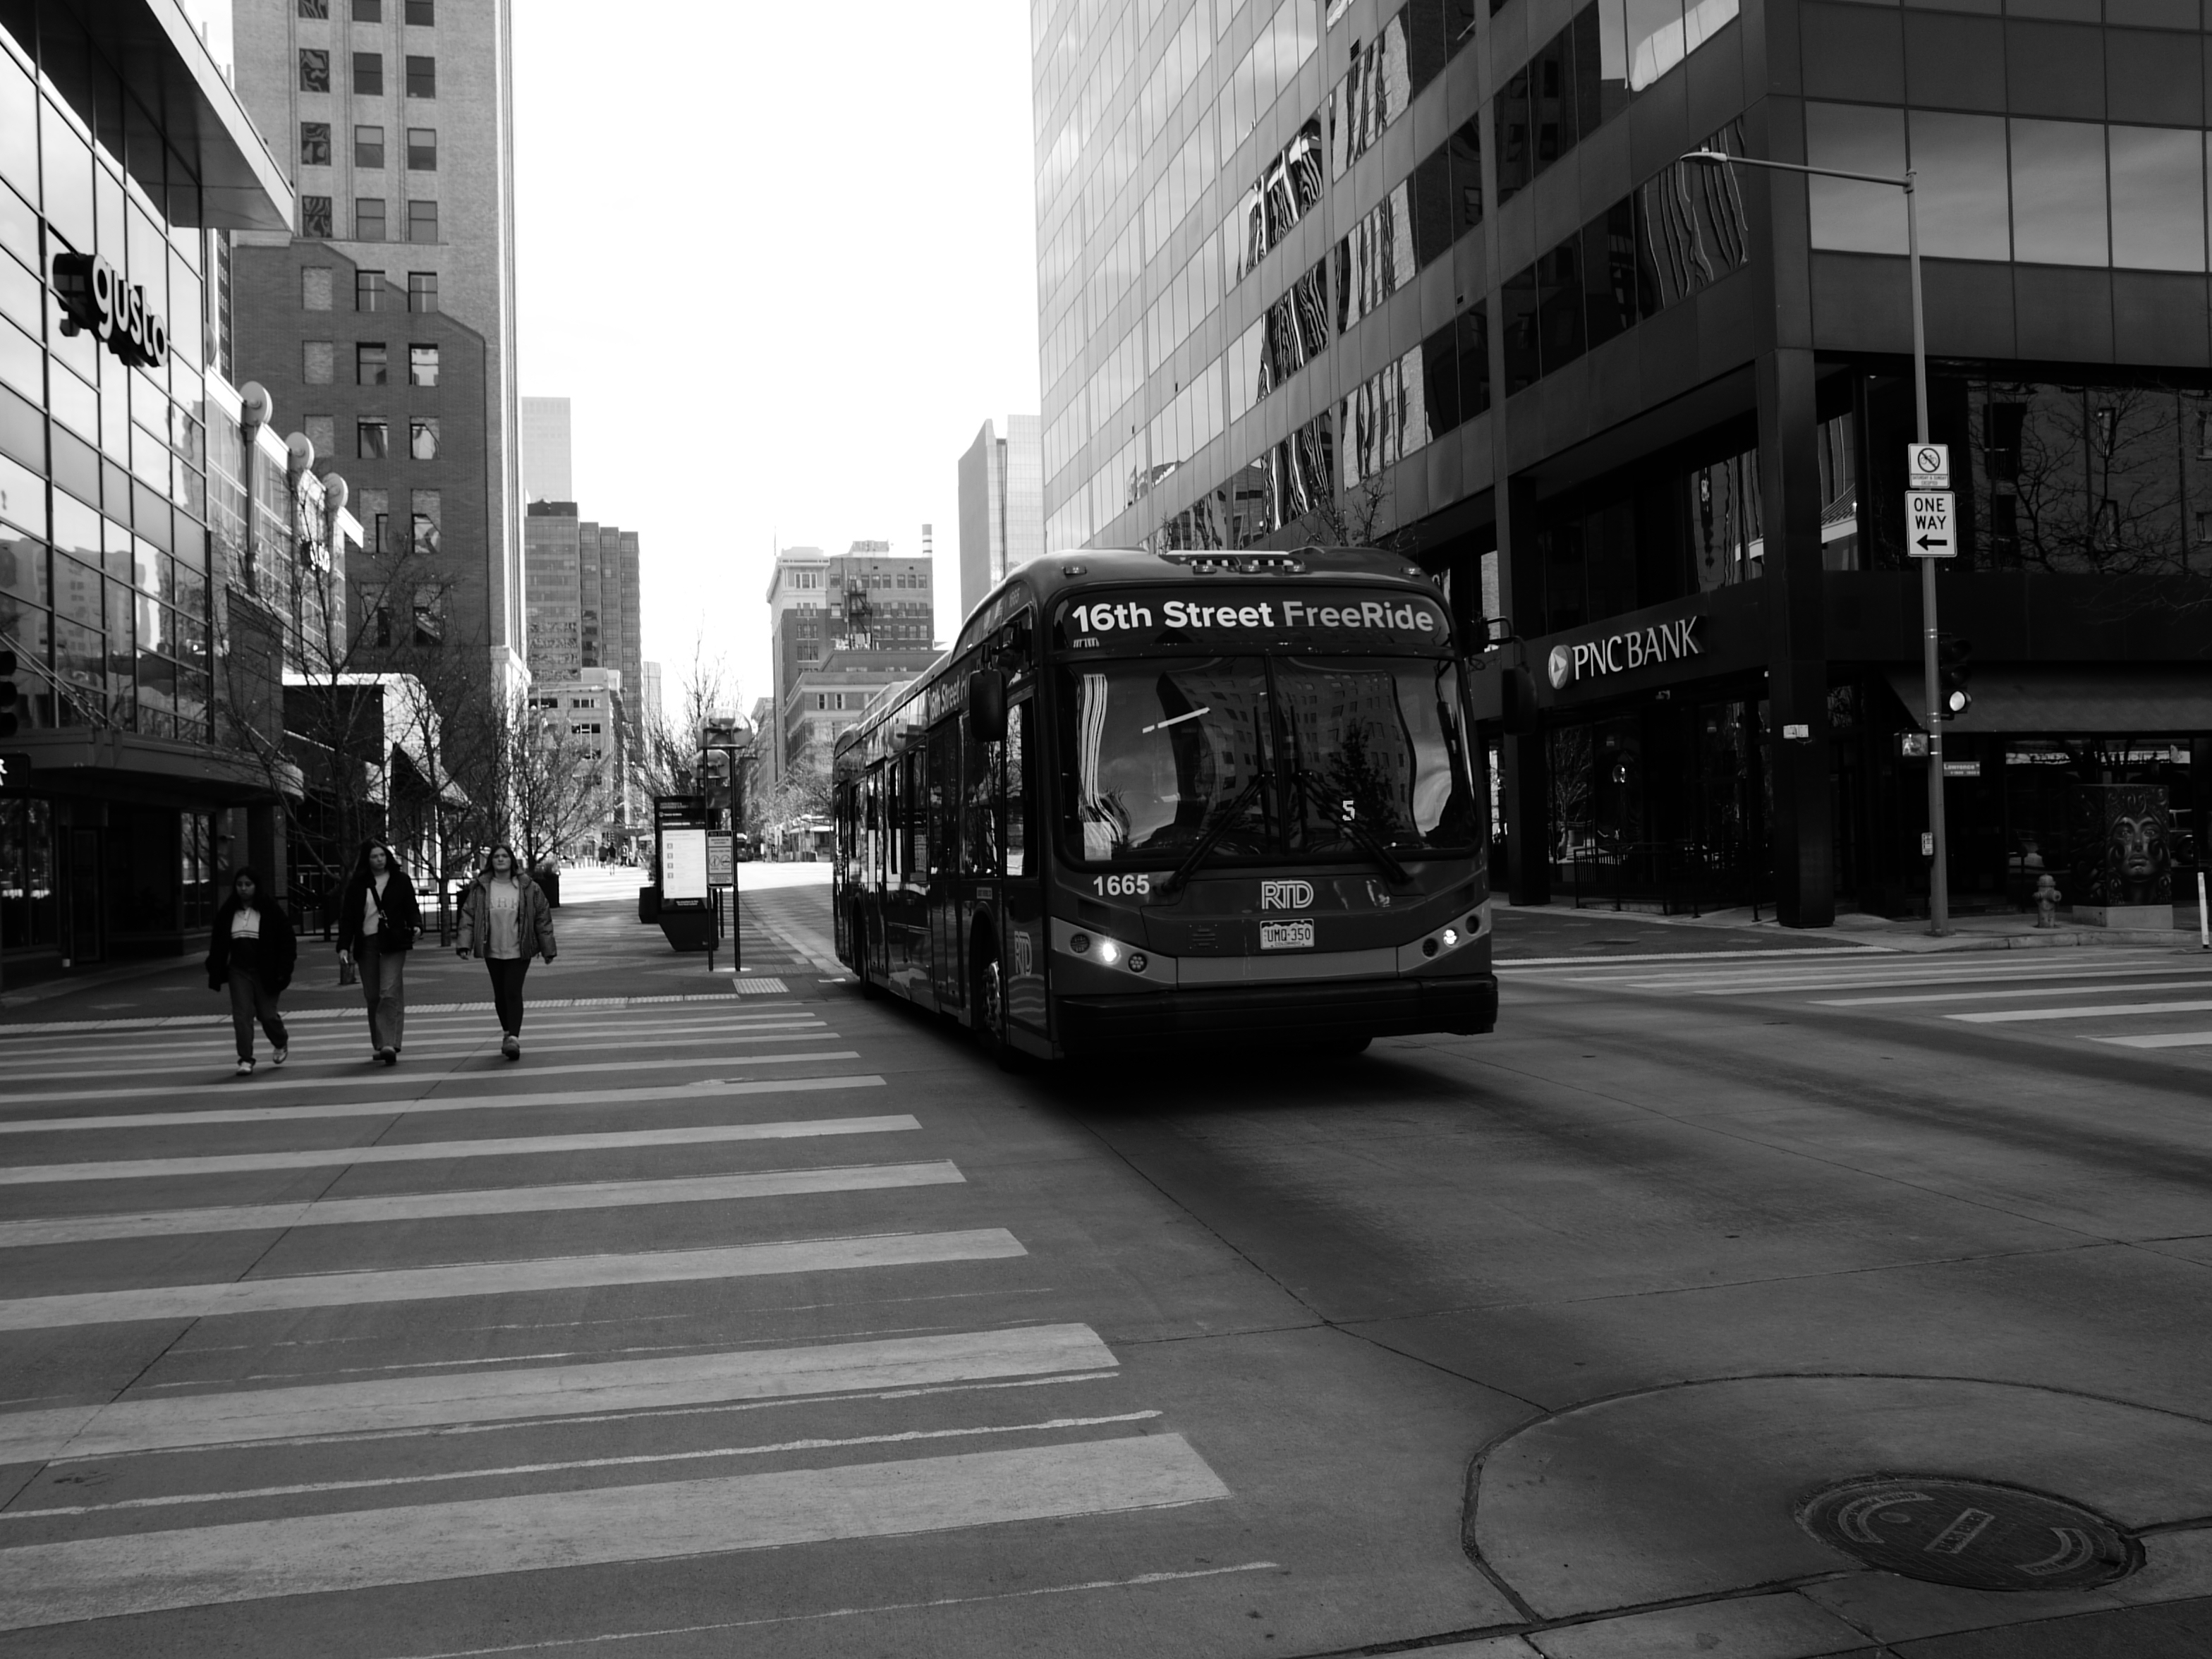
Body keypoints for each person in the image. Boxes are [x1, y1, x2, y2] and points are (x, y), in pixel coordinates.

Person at [456, 844, 557, 1059]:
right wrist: (464, 943)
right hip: (492, 948)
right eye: (496, 857)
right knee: (500, 994)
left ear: (513, 860)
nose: (501, 860)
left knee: (512, 991)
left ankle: (514, 1038)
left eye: (505, 856)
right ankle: (506, 1032)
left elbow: (542, 916)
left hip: (520, 948)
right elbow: (468, 915)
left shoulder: (528, 887)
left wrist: (548, 949)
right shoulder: (481, 887)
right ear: (490, 861)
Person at [205, 868, 296, 1076]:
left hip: (266, 972)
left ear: (256, 886)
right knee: (242, 1015)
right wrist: (214, 967)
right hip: (239, 971)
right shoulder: (228, 911)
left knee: (267, 1015)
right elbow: (218, 943)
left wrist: (283, 969)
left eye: (248, 884)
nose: (244, 889)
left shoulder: (269, 910)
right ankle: (245, 1059)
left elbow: (287, 940)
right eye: (240, 885)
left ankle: (280, 1041)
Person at [336, 841, 421, 1065]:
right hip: (367, 943)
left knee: (389, 991)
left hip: (393, 942)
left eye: (382, 855)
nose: (379, 860)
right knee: (373, 996)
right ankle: (381, 1043)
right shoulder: (357, 885)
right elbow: (347, 918)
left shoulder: (400, 880)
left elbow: (411, 906)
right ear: (367, 860)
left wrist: (416, 925)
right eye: (374, 856)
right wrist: (344, 946)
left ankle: (389, 1044)